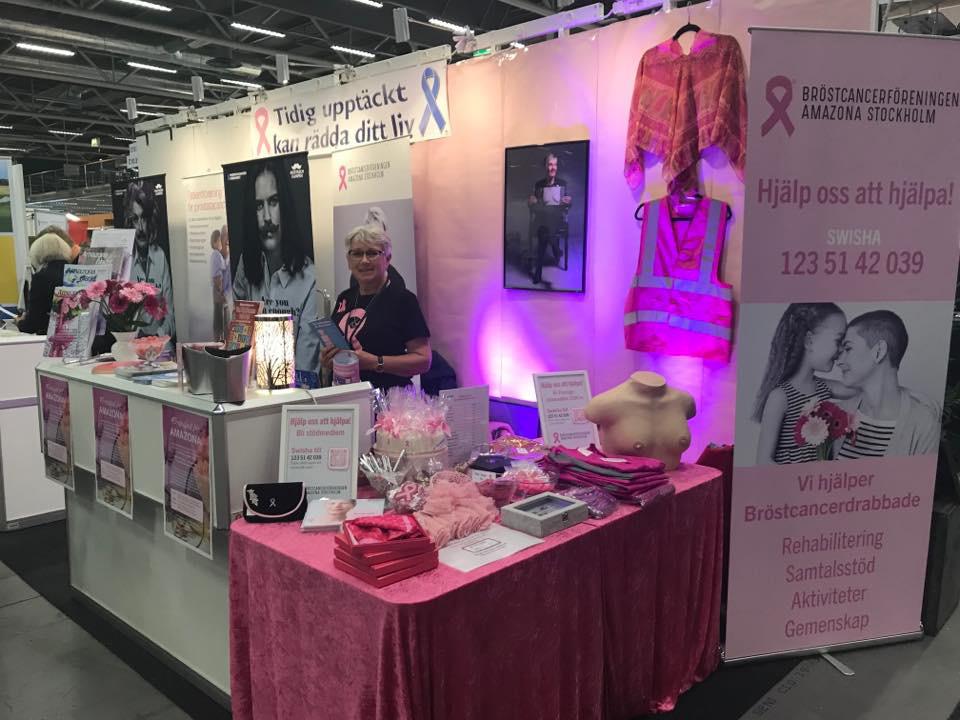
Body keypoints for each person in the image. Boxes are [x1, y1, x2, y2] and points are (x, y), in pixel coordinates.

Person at [232, 159, 318, 384]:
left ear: (285, 206)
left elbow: (307, 364)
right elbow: (239, 339)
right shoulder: (246, 265)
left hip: (293, 394)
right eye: (258, 206)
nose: (267, 217)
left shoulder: (310, 278)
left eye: (274, 201)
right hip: (251, 391)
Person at [322, 225, 431, 391]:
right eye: (357, 253)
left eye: (372, 253)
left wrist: (375, 363)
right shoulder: (345, 297)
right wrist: (329, 358)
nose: (364, 260)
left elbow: (423, 361)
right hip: (345, 396)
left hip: (388, 400)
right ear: (348, 260)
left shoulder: (404, 300)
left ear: (387, 259)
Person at [835, 310, 940, 458]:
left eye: (848, 348)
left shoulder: (924, 424)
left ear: (879, 351)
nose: (839, 361)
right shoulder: (834, 414)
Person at [753, 303, 848, 464]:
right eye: (838, 341)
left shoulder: (824, 387)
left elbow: (864, 388)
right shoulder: (780, 397)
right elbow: (763, 461)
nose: (841, 351)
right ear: (809, 341)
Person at [125, 181, 175, 338]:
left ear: (151, 220)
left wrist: (157, 338)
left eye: (144, 219)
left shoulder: (159, 256)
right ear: (129, 222)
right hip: (131, 343)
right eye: (135, 219)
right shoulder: (125, 260)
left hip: (160, 343)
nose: (140, 228)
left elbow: (170, 314)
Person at [17, 228, 74, 334]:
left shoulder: (41, 278)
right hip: (76, 333)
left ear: (37, 253)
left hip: (50, 335)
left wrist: (20, 322)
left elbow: (33, 323)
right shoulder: (75, 273)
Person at [528, 153, 572, 285]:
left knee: (544, 232)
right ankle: (556, 250)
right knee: (544, 228)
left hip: (556, 220)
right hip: (542, 219)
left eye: (555, 165)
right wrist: (531, 202)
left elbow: (567, 206)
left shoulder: (562, 184)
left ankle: (538, 272)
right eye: (550, 164)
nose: (552, 168)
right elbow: (534, 207)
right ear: (545, 166)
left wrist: (568, 201)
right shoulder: (539, 184)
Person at [209, 229, 227, 340]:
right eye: (219, 240)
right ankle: (218, 340)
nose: (221, 243)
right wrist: (221, 292)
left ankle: (218, 338)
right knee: (219, 316)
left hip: (217, 290)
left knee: (218, 315)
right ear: (215, 242)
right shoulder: (216, 255)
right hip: (218, 291)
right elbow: (217, 277)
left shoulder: (216, 255)